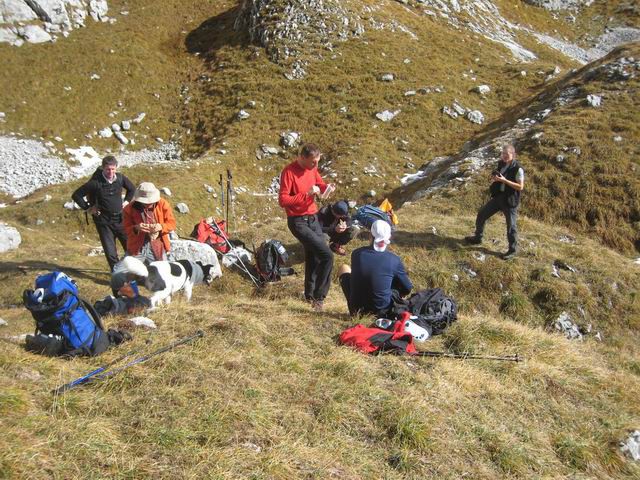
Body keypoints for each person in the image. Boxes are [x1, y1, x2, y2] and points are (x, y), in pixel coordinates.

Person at [279, 143, 335, 311]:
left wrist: (327, 188)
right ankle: (319, 298)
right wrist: (306, 194)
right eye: (313, 162)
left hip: (313, 218)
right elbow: (283, 201)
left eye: (317, 161)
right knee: (327, 255)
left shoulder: (312, 169)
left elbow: (320, 183)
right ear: (302, 157)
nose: (315, 165)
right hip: (297, 221)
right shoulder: (288, 172)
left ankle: (309, 294)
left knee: (313, 255)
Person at [71, 155, 135, 271]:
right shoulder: (95, 183)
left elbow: (132, 189)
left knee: (131, 247)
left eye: (113, 169)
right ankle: (118, 276)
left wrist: (126, 202)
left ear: (116, 168)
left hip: (120, 219)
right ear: (103, 168)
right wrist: (88, 208)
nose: (110, 172)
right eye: (107, 169)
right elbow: (76, 195)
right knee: (111, 253)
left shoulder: (120, 178)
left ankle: (132, 271)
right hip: (103, 222)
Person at [338, 220, 413, 317]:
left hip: (356, 310)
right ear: (388, 237)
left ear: (370, 235)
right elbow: (407, 288)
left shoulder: (357, 253)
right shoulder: (393, 259)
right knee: (394, 280)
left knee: (344, 268)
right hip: (381, 313)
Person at [464, 144, 524, 259]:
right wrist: (495, 176)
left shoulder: (518, 169)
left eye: (507, 154)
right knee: (482, 214)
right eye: (503, 154)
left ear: (513, 155)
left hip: (510, 200)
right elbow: (499, 175)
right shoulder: (501, 163)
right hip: (499, 197)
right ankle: (478, 237)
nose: (504, 156)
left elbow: (520, 187)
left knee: (511, 226)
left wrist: (505, 181)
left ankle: (512, 250)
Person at [122, 182, 176, 262]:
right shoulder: (129, 208)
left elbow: (172, 223)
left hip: (158, 244)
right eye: (144, 202)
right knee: (123, 272)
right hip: (136, 246)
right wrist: (136, 228)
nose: (147, 204)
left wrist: (161, 227)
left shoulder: (163, 204)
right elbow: (125, 229)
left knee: (161, 270)